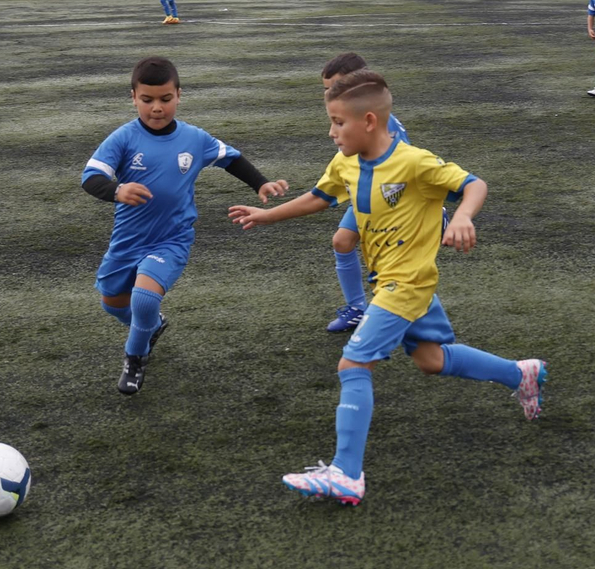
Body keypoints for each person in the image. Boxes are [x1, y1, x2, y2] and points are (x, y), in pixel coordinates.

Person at [227, 69, 547, 505]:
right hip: (388, 283)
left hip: (408, 283)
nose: (331, 132)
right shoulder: (346, 163)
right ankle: (521, 374)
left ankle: (346, 473)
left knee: (353, 365)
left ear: (370, 121)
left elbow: (473, 184)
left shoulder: (413, 162)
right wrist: (265, 215)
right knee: (431, 360)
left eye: (339, 122)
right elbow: (319, 198)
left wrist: (465, 216)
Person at [84, 57, 287, 395]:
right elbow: (91, 178)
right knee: (112, 303)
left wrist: (260, 184)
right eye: (147, 100)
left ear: (179, 95)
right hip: (128, 240)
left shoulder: (194, 138)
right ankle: (151, 328)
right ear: (133, 97)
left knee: (144, 300)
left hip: (172, 239)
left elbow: (230, 158)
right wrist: (117, 190)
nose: (157, 108)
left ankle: (135, 358)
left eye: (165, 99)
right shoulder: (122, 138)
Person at [315, 52, 413, 333]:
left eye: (336, 86)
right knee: (342, 242)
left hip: (385, 202)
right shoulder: (347, 116)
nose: (330, 93)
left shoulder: (385, 126)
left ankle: (394, 312)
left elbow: (401, 171)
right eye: (326, 88)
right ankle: (358, 309)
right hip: (363, 195)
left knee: (391, 265)